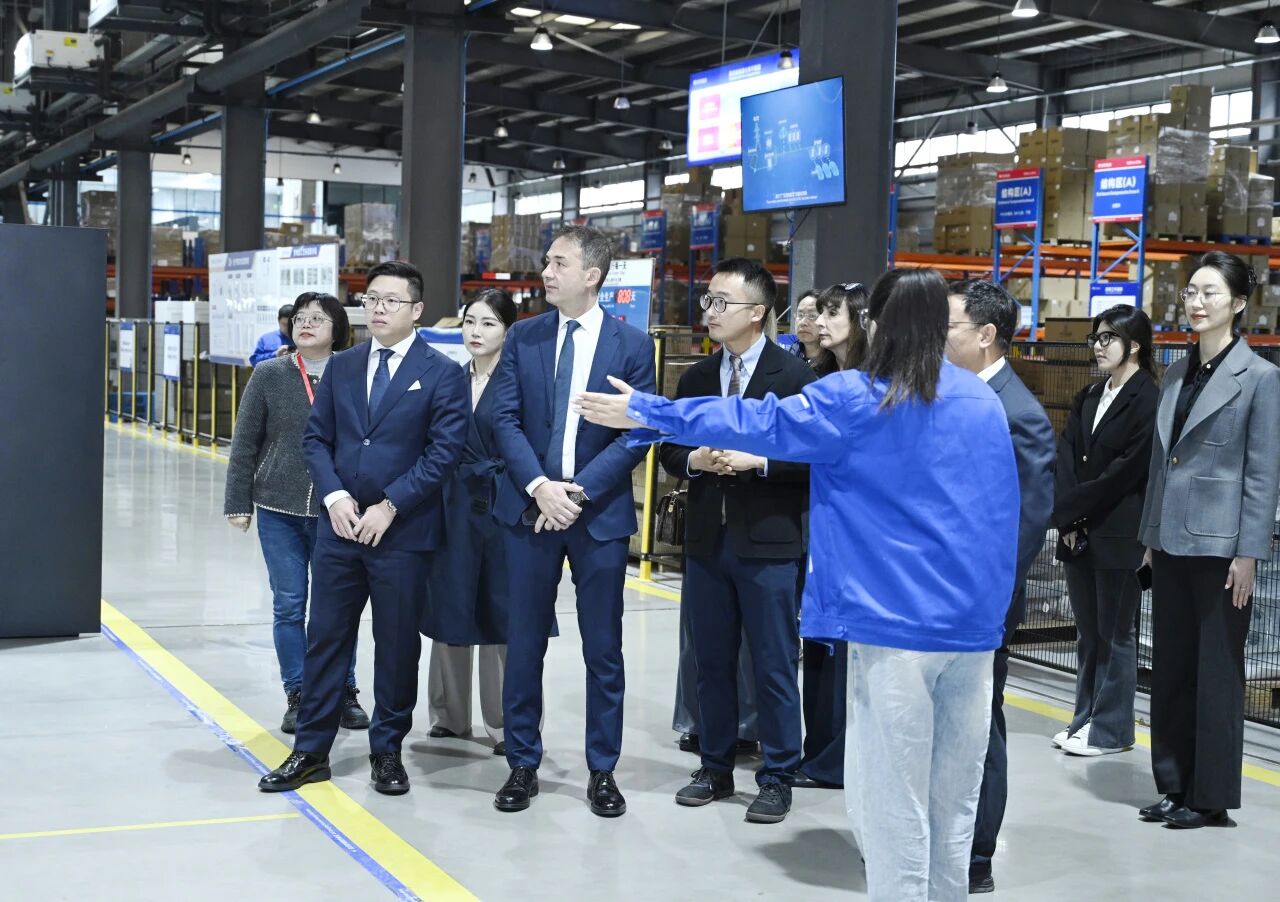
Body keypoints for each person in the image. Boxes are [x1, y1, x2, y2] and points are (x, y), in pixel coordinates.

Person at [578, 267, 1019, 901]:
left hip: (893, 624)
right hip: (972, 630)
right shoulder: (980, 401)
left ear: (877, 322)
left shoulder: (859, 397)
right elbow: (1003, 514)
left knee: (892, 800)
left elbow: (756, 421)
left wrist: (648, 410)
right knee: (954, 800)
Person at [257, 261, 469, 796]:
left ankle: (387, 751)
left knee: (396, 645)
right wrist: (333, 496)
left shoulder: (442, 372)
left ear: (416, 310)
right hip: (340, 528)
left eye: (391, 301)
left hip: (403, 533)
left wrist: (391, 505)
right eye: (372, 298)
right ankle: (310, 751)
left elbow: (444, 452)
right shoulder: (344, 366)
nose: (378, 308)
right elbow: (316, 439)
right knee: (326, 638)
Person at [488, 224, 657, 817]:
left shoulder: (631, 345)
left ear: (592, 275)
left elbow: (638, 432)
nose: (546, 272)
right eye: (547, 261)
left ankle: (602, 769)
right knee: (524, 642)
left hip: (597, 515)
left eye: (559, 263)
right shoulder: (525, 336)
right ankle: (522, 763)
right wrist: (540, 487)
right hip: (530, 510)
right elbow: (504, 419)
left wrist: (578, 492)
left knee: (603, 648)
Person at [658, 258, 815, 824]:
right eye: (708, 300)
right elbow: (668, 448)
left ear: (757, 312)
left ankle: (777, 775)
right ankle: (715, 765)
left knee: (774, 663)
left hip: (769, 544)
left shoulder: (795, 380)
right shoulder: (697, 379)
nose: (710, 311)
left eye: (722, 302)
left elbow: (816, 459)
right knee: (711, 661)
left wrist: (760, 462)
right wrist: (694, 460)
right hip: (707, 542)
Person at [1137, 251, 1280, 829]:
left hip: (1222, 549)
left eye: (1210, 293)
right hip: (1171, 542)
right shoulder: (1175, 372)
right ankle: (1174, 784)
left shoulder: (1261, 378)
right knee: (1171, 667)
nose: (1196, 303)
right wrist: (1150, 536)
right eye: (1191, 292)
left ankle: (1211, 796)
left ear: (1239, 303)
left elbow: (1263, 474)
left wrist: (1249, 553)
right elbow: (1160, 464)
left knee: (1216, 672)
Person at [944, 279, 1054, 894]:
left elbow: (1026, 523)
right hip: (941, 598)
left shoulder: (1018, 412)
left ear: (986, 335)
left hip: (982, 603)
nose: (938, 338)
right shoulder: (953, 394)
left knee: (980, 724)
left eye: (949, 327)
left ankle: (976, 853)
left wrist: (983, 597)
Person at [224, 293, 367, 735]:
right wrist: (237, 502)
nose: (305, 324)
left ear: (337, 329)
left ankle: (343, 690)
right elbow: (245, 440)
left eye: (317, 318)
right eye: (300, 318)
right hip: (278, 508)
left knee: (337, 606)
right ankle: (298, 693)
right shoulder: (269, 374)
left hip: (337, 509)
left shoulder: (354, 372)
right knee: (288, 605)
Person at [421, 289, 529, 755]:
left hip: (506, 504)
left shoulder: (520, 380)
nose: (475, 332)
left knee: (503, 613)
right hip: (454, 504)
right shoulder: (450, 377)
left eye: (488, 323)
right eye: (469, 322)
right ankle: (449, 715)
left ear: (508, 330)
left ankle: (506, 723)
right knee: (451, 603)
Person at [1052, 305, 1159, 760]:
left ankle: (1111, 730)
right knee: (1088, 634)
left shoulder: (1148, 398)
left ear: (1134, 345)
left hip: (1119, 532)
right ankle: (1084, 719)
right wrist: (1068, 517)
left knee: (1116, 634)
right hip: (1078, 530)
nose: (1098, 346)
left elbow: (1126, 472)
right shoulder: (1090, 395)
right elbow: (1066, 453)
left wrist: (1071, 509)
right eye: (1095, 338)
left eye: (1107, 338)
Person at [797, 280, 872, 789]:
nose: (818, 322)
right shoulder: (820, 378)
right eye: (817, 313)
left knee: (849, 652)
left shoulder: (874, 384)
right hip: (816, 524)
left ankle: (840, 759)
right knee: (818, 644)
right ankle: (819, 753)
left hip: (855, 534)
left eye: (830, 313)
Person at [812, 281, 870, 377]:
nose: (818, 322)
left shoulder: (877, 377)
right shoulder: (815, 374)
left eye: (832, 313)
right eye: (821, 312)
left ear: (857, 320)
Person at [789, 289, 822, 362]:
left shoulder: (837, 361)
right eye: (800, 315)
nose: (803, 322)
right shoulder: (789, 355)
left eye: (812, 316)